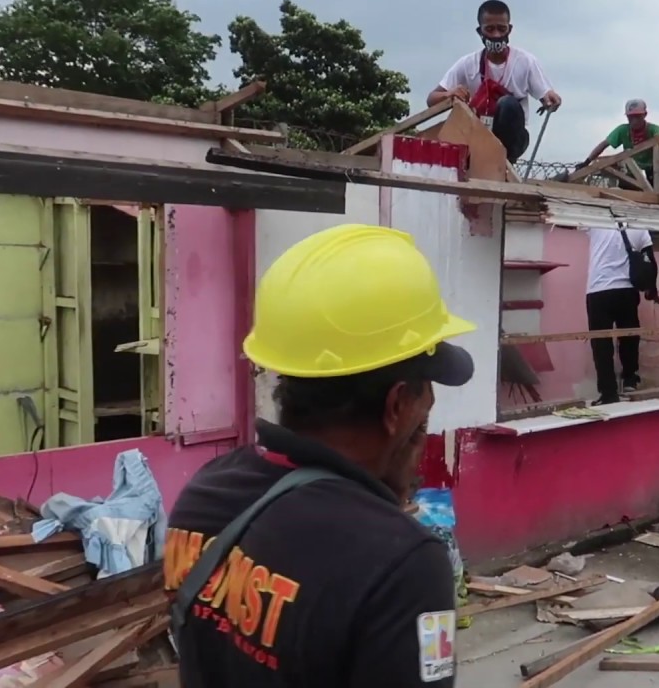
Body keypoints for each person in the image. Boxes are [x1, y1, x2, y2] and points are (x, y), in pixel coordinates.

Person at [165, 225, 475, 687]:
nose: (429, 406)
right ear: (396, 406)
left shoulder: (207, 493)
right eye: (426, 392)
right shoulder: (404, 567)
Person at [427, 0, 561, 164]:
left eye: (501, 29)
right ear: (480, 31)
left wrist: (550, 98)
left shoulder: (526, 62)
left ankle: (503, 162)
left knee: (507, 104)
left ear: (509, 29)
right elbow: (431, 99)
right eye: (490, 29)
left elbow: (546, 95)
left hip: (512, 140)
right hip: (477, 137)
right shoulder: (467, 64)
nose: (496, 35)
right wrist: (449, 94)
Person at [584, 225, 659, 405]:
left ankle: (608, 392)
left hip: (598, 290)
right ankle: (630, 379)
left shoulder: (595, 222)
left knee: (601, 342)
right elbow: (650, 260)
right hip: (627, 291)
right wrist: (652, 288)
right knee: (629, 335)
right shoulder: (638, 226)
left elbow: (568, 220)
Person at [578, 99, 659, 191]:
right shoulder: (623, 130)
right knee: (625, 185)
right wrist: (587, 162)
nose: (634, 120)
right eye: (631, 117)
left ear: (644, 115)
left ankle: (658, 191)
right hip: (634, 173)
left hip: (654, 172)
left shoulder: (653, 130)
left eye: (637, 116)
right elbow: (604, 144)